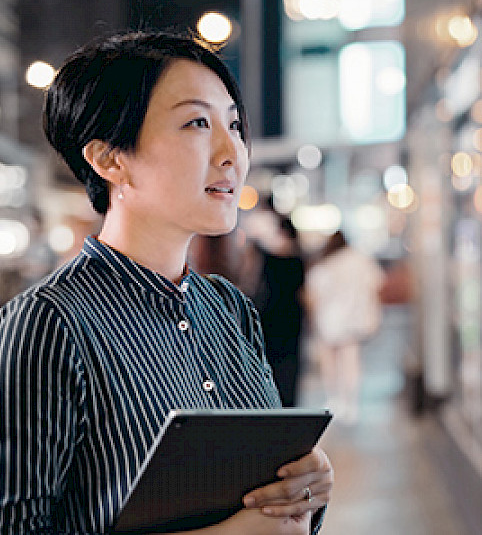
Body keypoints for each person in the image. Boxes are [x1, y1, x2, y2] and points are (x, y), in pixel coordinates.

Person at [0, 31, 333, 534]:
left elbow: (266, 498)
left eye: (233, 124)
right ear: (110, 159)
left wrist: (304, 489)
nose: (232, 152)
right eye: (197, 122)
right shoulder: (47, 324)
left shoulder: (229, 309)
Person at [305, 230, 384, 424]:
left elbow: (313, 292)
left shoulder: (325, 263)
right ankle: (351, 402)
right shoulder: (360, 260)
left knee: (330, 362)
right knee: (351, 361)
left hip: (329, 319)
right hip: (354, 319)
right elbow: (377, 283)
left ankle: (334, 399)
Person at [240, 201, 306, 407]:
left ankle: (272, 399)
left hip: (270, 314)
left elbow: (255, 283)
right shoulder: (298, 258)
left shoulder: (266, 255)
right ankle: (288, 401)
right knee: (291, 361)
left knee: (270, 359)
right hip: (292, 316)